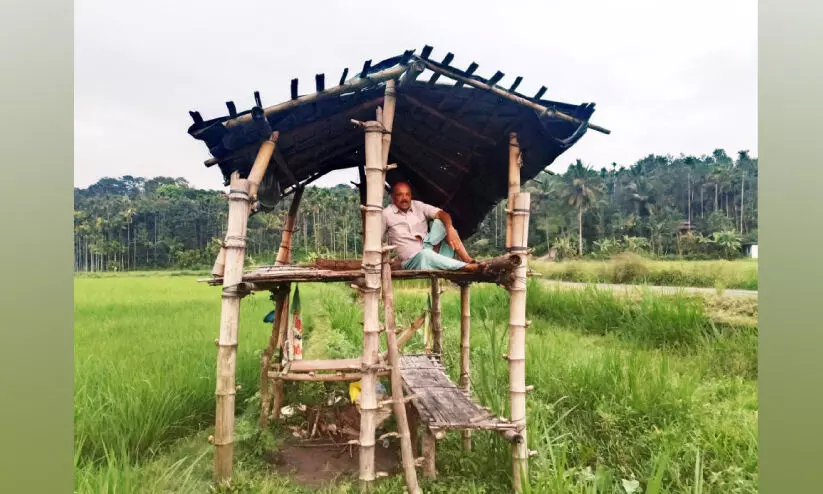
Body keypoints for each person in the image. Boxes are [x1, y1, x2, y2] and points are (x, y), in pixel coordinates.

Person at [382, 181, 486, 272]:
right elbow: (376, 239)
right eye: (400, 195)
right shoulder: (386, 214)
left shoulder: (418, 206)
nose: (404, 198)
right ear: (392, 197)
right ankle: (468, 267)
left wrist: (450, 229)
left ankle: (467, 259)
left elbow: (443, 214)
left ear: (410, 196)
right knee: (425, 255)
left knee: (442, 223)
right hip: (412, 260)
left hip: (430, 251)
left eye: (407, 195)